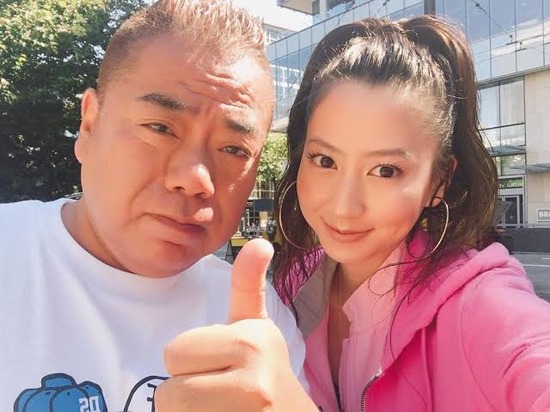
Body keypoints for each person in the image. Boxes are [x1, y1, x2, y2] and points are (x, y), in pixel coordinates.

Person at [159, 14, 550, 412]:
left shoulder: (481, 305)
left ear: (438, 182)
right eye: (325, 160)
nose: (344, 207)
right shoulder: (296, 282)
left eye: (385, 171)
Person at [0, 1, 306, 411]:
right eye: (160, 128)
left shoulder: (261, 329)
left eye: (234, 149)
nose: (195, 178)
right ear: (89, 124)